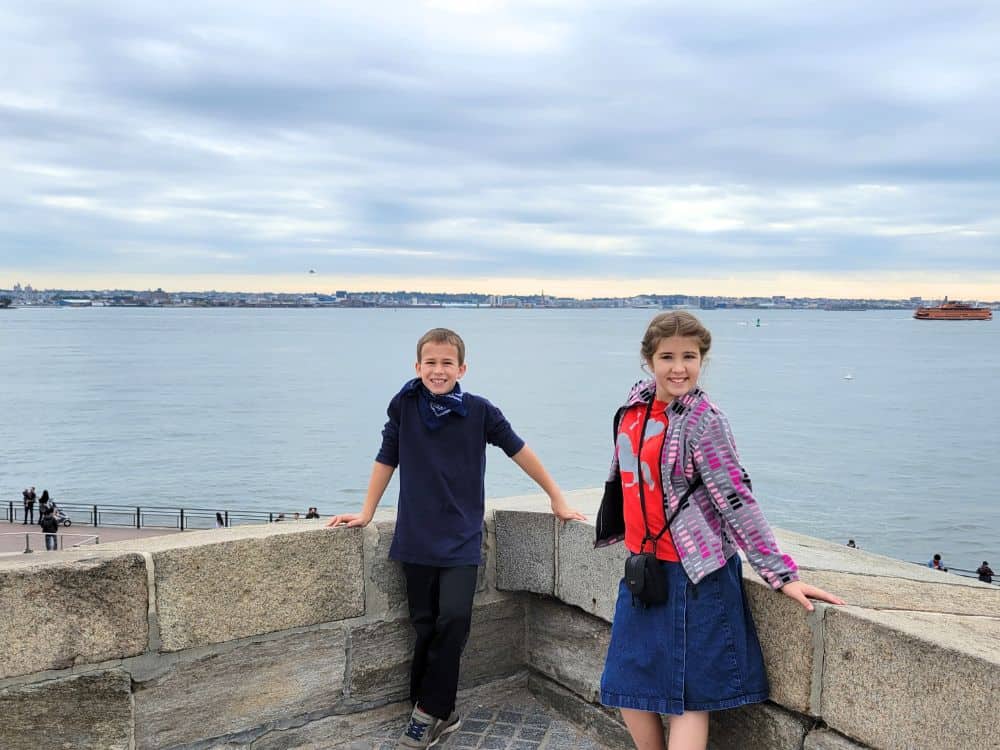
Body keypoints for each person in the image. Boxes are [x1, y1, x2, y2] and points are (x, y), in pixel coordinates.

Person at [594, 312, 843, 750]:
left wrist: (782, 575)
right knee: (627, 686)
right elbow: (625, 482)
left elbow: (737, 499)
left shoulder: (704, 421)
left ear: (702, 360)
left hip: (696, 577)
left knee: (689, 700)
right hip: (645, 571)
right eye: (667, 356)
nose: (678, 367)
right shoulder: (632, 410)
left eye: (689, 357)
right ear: (648, 360)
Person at [327, 327, 585, 749]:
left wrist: (556, 496)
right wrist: (366, 512)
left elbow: (520, 450)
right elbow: (386, 458)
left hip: (462, 538)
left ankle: (427, 713)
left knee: (454, 619)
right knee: (425, 627)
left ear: (462, 368)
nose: (438, 370)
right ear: (417, 366)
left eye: (447, 363)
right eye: (430, 362)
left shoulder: (480, 412)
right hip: (415, 538)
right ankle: (433, 711)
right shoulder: (405, 406)